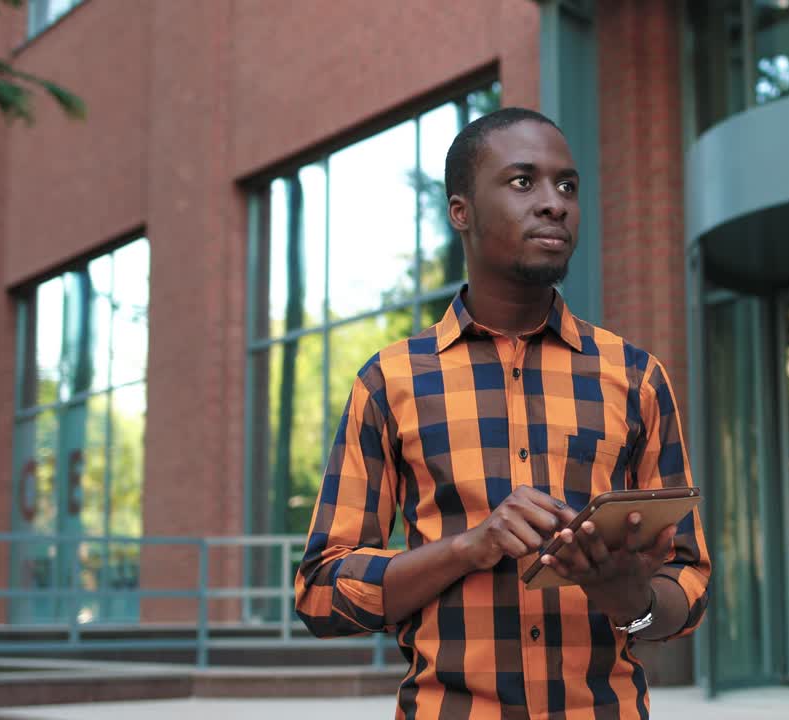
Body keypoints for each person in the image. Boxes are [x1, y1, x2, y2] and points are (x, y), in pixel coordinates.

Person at [294, 107, 711, 720]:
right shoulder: (391, 382)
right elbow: (321, 593)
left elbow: (689, 583)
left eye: (566, 185)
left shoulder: (636, 378)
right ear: (460, 210)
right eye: (524, 182)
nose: (554, 204)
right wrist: (469, 546)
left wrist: (632, 601)